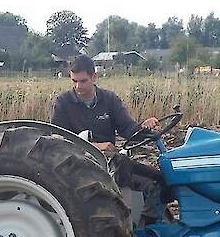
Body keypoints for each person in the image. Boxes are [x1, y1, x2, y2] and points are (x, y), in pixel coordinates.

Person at [50, 55, 165, 194]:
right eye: (74, 81)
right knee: (122, 164)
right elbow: (58, 142)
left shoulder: (109, 99)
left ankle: (151, 215)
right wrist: (95, 147)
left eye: (83, 81)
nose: (77, 86)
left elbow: (127, 128)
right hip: (77, 164)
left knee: (159, 180)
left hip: (109, 161)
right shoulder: (63, 103)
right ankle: (124, 210)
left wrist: (143, 127)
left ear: (94, 77)